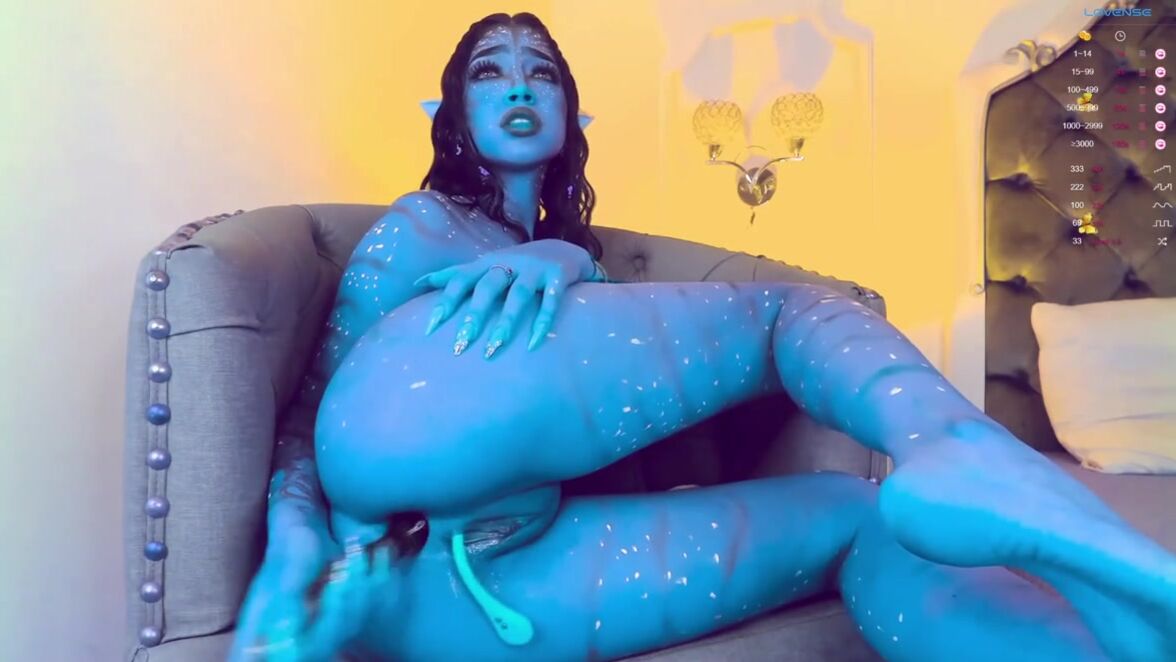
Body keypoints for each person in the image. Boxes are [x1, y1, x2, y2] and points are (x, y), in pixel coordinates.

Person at [229, 12, 1176, 662]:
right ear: (454, 115)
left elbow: (590, 418)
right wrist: (292, 555)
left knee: (857, 516)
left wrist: (563, 255)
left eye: (541, 72)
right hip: (376, 560)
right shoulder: (420, 226)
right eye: (490, 71)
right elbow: (315, 417)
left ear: (569, 116)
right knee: (790, 311)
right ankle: (957, 443)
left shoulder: (578, 270)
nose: (518, 84)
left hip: (486, 601)